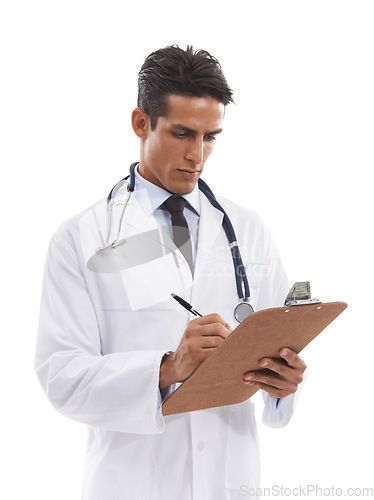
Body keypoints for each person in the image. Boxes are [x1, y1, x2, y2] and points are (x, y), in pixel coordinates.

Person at [35, 45, 306, 500]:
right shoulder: (82, 238)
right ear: (141, 123)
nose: (197, 155)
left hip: (229, 481)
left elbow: (279, 340)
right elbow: (61, 376)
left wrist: (284, 381)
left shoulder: (248, 230)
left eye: (211, 136)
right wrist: (166, 368)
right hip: (131, 483)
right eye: (182, 133)